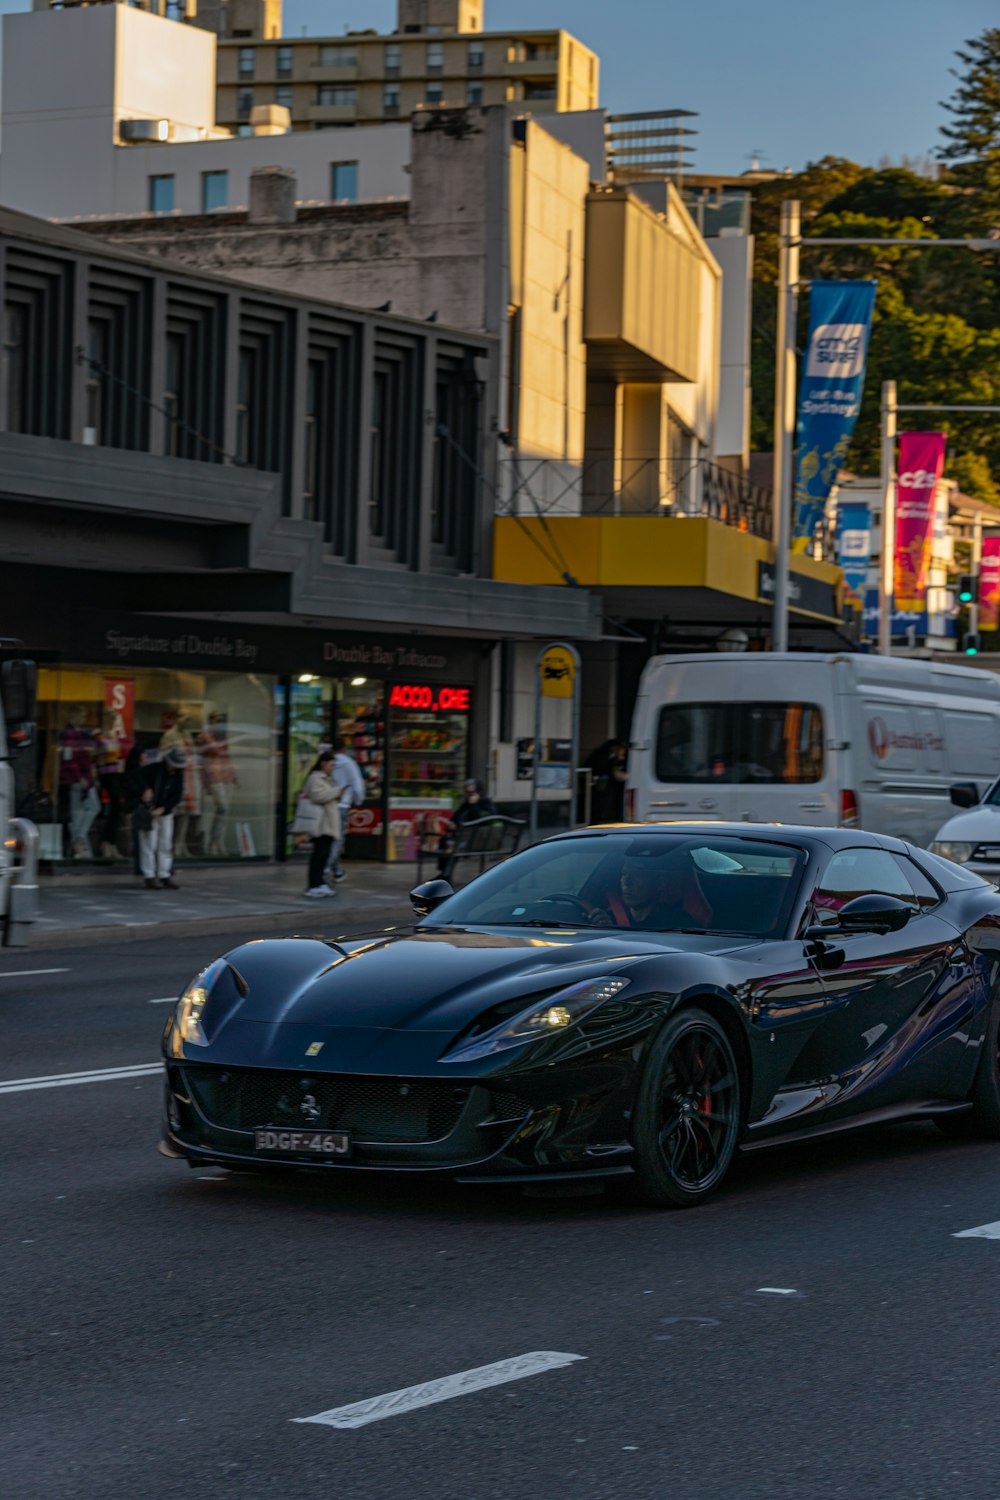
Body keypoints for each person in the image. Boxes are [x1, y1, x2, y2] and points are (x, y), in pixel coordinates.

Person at [137, 745, 185, 890]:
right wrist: (145, 789)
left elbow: (177, 796)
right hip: (150, 810)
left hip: (164, 811)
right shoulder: (155, 770)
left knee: (165, 843)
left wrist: (164, 808)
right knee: (148, 843)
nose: (174, 768)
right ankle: (149, 875)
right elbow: (137, 776)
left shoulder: (178, 775)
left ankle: (164, 873)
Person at [302, 751, 344, 899]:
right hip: (321, 824)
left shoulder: (326, 779)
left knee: (324, 855)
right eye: (331, 764)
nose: (333, 768)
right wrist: (336, 792)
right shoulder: (315, 778)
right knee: (319, 855)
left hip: (328, 823)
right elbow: (318, 796)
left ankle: (319, 883)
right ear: (323, 763)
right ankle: (313, 885)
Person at [436, 778, 497, 877]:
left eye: (472, 792)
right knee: (446, 842)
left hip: (476, 840)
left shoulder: (485, 803)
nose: (469, 795)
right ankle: (444, 873)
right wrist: (451, 825)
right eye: (467, 792)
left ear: (478, 792)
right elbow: (455, 818)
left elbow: (482, 820)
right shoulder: (465, 804)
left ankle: (445, 874)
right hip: (461, 838)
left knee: (451, 845)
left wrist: (474, 805)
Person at [326, 737, 366, 882]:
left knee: (329, 838)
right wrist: (358, 800)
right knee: (338, 838)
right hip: (342, 804)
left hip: (327, 803)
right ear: (344, 748)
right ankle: (327, 867)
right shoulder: (349, 763)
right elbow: (357, 784)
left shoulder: (328, 762)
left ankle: (336, 870)